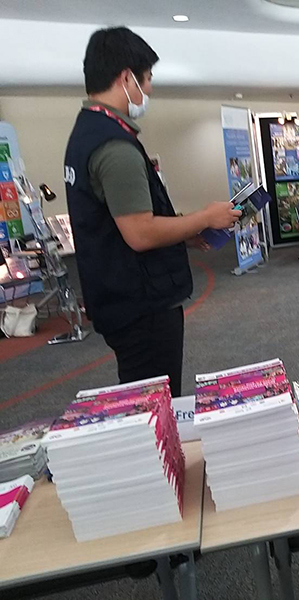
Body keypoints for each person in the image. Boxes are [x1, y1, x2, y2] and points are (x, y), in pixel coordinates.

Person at [64, 27, 240, 396]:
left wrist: (187, 236)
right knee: (155, 407)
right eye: (147, 79)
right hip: (140, 307)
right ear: (126, 78)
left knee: (145, 400)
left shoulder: (86, 132)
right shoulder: (115, 146)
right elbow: (140, 233)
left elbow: (121, 224)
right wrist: (206, 217)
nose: (150, 90)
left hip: (118, 298)